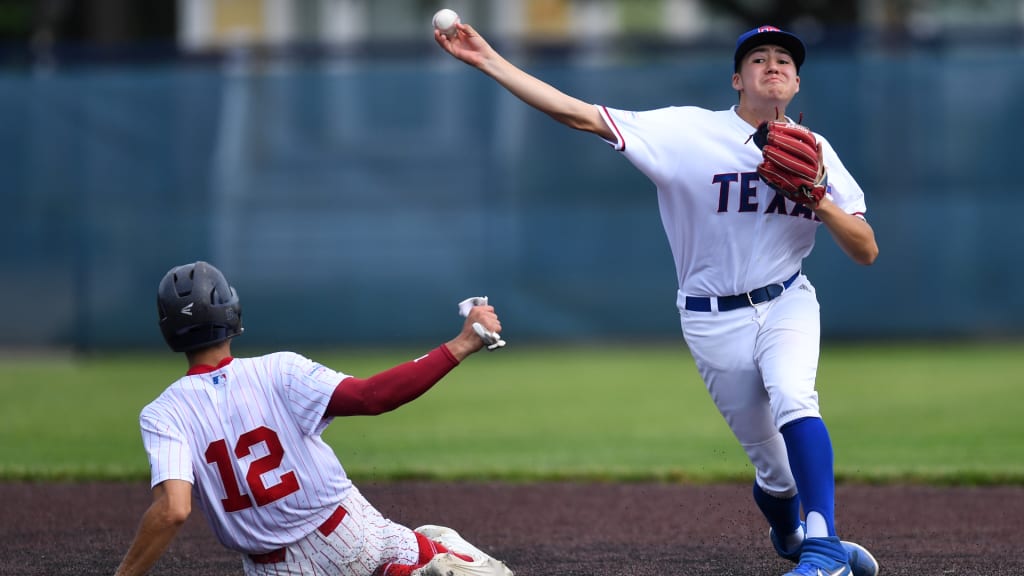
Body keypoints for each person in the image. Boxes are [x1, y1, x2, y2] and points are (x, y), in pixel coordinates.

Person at [435, 22, 880, 576]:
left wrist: (818, 200)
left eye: (785, 61)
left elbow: (865, 249)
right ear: (737, 79)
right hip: (712, 319)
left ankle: (822, 550)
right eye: (759, 57)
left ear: (795, 83)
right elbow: (579, 114)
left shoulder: (817, 151)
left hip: (788, 301)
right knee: (777, 476)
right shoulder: (687, 132)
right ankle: (791, 536)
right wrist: (488, 61)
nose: (774, 65)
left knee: (795, 398)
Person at [114, 261, 514, 576]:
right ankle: (412, 567)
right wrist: (462, 343)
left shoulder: (163, 414)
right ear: (230, 311)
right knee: (435, 547)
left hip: (274, 567)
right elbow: (372, 397)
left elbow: (173, 510)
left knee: (427, 543)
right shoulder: (279, 370)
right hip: (350, 534)